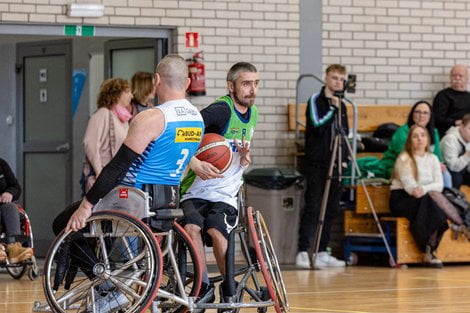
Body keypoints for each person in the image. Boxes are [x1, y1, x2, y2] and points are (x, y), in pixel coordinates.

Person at [52, 54, 204, 311]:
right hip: (167, 201)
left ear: (156, 80)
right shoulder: (196, 119)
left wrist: (87, 205)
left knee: (63, 223)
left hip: (133, 198)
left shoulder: (152, 118)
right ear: (188, 82)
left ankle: (109, 289)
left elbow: (117, 167)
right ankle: (113, 282)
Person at [180, 62, 259, 302]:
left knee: (216, 229)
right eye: (246, 83)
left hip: (225, 194)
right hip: (195, 190)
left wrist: (245, 159)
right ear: (231, 86)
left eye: (256, 83)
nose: (252, 89)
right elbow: (183, 133)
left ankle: (228, 289)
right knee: (192, 227)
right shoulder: (220, 111)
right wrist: (194, 163)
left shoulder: (252, 113)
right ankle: (202, 287)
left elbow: (237, 154)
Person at [390, 124, 469, 268]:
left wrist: (424, 188)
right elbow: (410, 188)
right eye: (415, 136)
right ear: (410, 140)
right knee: (431, 203)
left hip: (426, 197)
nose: (419, 139)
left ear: (427, 139)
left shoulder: (432, 158)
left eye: (423, 135)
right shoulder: (404, 158)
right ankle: (461, 225)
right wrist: (421, 190)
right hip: (403, 199)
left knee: (432, 201)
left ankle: (430, 250)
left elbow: (439, 184)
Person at [295, 64, 348, 269]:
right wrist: (333, 108)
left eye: (341, 79)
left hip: (336, 162)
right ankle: (303, 249)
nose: (338, 82)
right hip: (317, 161)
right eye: (334, 78)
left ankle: (322, 250)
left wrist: (344, 158)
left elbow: (343, 131)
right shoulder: (316, 100)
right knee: (314, 205)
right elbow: (316, 124)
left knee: (332, 207)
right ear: (326, 78)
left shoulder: (343, 103)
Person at [81, 78, 133, 195]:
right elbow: (90, 144)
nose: (131, 95)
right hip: (102, 175)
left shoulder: (123, 119)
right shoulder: (103, 114)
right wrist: (100, 173)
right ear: (117, 94)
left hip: (115, 176)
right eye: (128, 91)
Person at [0, 158, 33, 263]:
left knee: (11, 207)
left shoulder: (1, 164)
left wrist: (10, 193)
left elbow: (15, 186)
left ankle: (14, 248)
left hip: (2, 205)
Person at [433, 64, 470, 138]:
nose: (457, 78)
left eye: (460, 76)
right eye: (454, 75)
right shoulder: (443, 95)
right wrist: (455, 122)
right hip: (449, 132)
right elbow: (436, 118)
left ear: (466, 78)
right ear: (450, 78)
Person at [440, 114, 470, 188]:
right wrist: (468, 154)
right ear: (462, 126)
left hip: (463, 169)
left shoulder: (467, 138)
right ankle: (453, 198)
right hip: (447, 169)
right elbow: (453, 166)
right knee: (456, 179)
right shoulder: (450, 139)